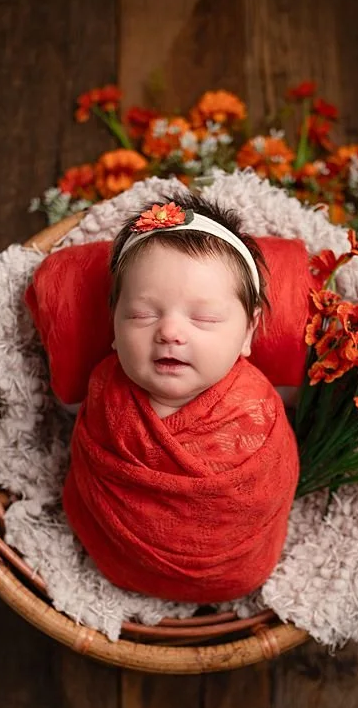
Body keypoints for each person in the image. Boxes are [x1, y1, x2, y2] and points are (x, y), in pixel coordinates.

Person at [62, 194, 300, 604]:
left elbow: (272, 488)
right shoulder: (104, 391)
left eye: (204, 318)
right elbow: (87, 474)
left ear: (248, 333)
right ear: (113, 324)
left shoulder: (259, 409)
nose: (170, 332)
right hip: (116, 555)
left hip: (235, 569)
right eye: (141, 314)